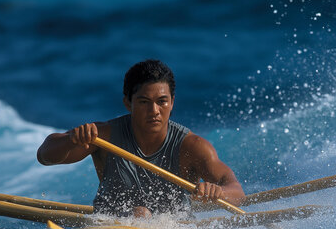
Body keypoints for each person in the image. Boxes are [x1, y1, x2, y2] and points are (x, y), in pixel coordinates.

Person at [37, 59, 245, 218]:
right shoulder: (104, 137)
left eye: (162, 101)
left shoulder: (193, 147)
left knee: (141, 214)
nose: (154, 111)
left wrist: (218, 192)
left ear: (172, 102)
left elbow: (237, 192)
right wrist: (70, 140)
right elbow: (45, 156)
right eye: (144, 102)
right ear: (128, 103)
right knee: (140, 214)